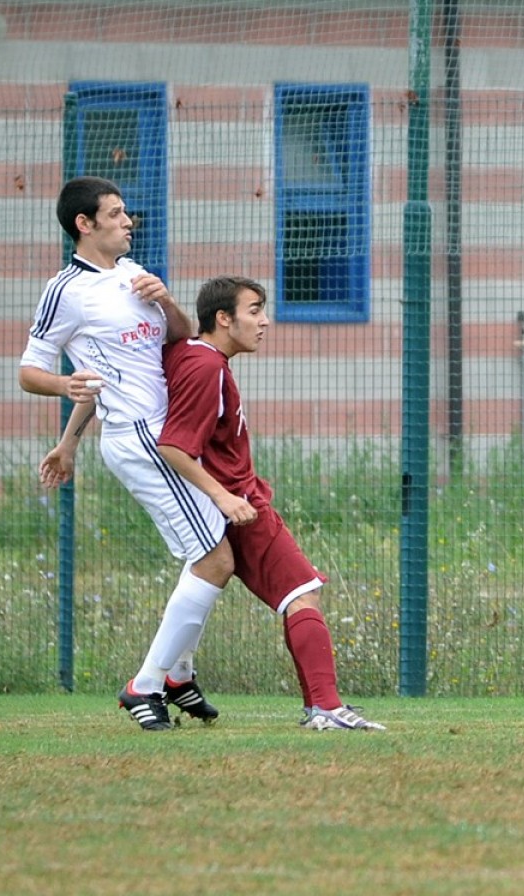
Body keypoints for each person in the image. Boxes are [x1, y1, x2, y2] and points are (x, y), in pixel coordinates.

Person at [23, 175, 232, 732]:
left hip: (167, 433)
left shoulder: (135, 276)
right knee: (215, 559)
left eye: (127, 213)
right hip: (140, 439)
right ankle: (146, 684)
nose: (128, 221)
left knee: (209, 556)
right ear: (84, 225)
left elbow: (182, 339)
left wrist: (165, 299)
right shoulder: (66, 290)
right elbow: (30, 371)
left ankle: (179, 675)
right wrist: (61, 387)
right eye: (115, 214)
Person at [152, 276, 384, 731]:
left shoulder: (197, 356)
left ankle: (174, 678)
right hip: (240, 504)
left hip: (236, 499)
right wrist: (224, 496)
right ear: (224, 318)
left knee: (292, 593)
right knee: (301, 593)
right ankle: (326, 708)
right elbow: (174, 445)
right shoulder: (206, 367)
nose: (265, 321)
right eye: (254, 310)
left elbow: (175, 338)